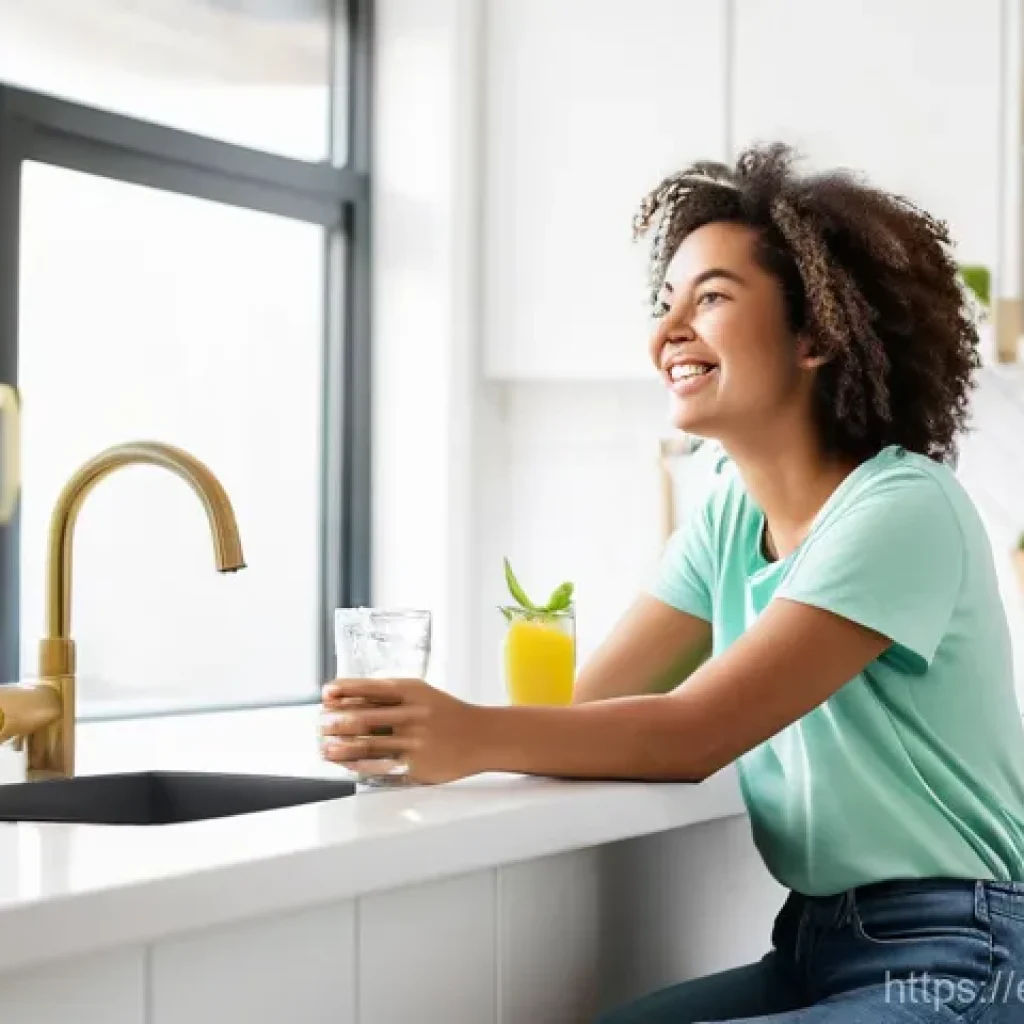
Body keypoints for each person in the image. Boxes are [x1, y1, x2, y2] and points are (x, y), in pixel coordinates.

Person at [320, 143, 1024, 1021]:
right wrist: (442, 734)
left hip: (955, 951)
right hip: (812, 945)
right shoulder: (730, 516)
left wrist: (468, 734)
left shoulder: (904, 507)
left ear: (817, 335)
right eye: (665, 305)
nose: (669, 332)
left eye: (713, 299)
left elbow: (696, 732)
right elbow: (591, 705)